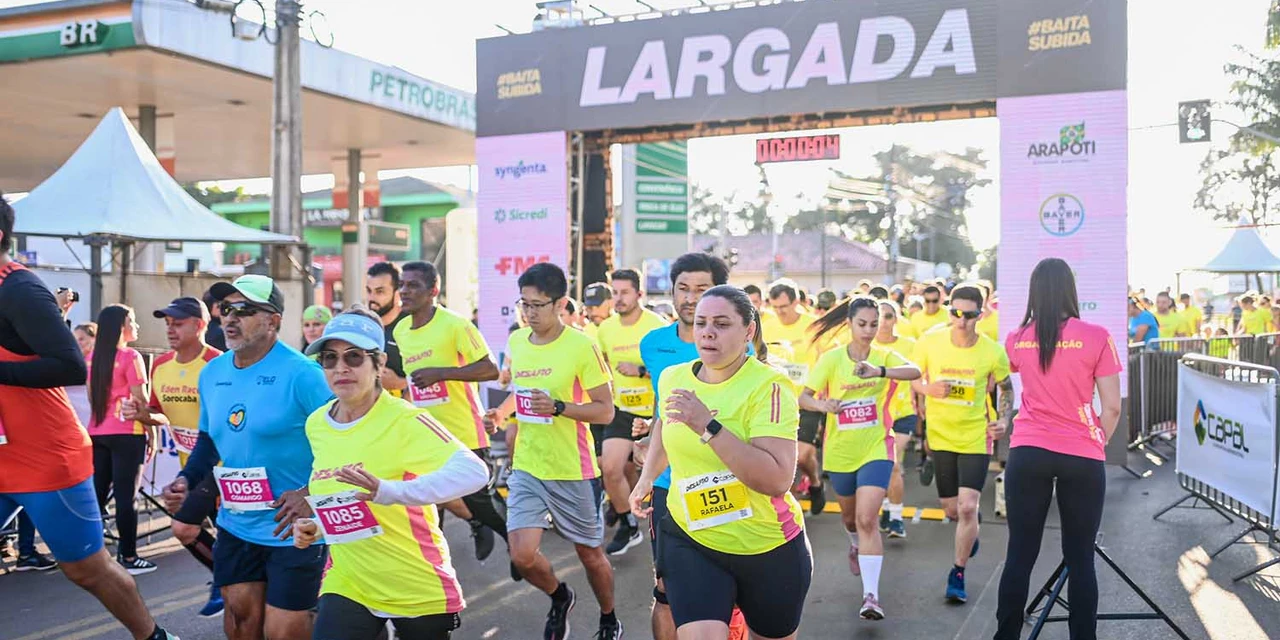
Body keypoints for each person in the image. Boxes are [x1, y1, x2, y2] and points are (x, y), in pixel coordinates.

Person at [0, 194, 179, 640]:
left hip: (45, 460)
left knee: (87, 570)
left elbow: (69, 366)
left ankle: (154, 636)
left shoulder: (19, 290)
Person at [294, 308, 490, 640]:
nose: (341, 368)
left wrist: (389, 492)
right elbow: (341, 497)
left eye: (354, 357)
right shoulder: (317, 424)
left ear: (379, 364)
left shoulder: (405, 420)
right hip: (349, 580)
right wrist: (317, 525)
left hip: (413, 581)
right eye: (330, 358)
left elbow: (474, 472)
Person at [629, 285, 812, 640]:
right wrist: (646, 478)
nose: (708, 332)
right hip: (692, 537)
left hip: (765, 545)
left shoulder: (770, 387)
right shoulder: (674, 377)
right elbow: (667, 426)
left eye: (722, 323)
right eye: (701, 323)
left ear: (749, 330)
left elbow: (776, 480)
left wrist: (708, 426)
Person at [162, 274, 332, 640]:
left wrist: (309, 491)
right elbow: (210, 441)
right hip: (237, 522)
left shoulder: (304, 375)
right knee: (241, 623)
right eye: (226, 309)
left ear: (273, 321)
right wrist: (186, 480)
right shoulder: (212, 373)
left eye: (245, 309)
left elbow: (343, 443)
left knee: (284, 632)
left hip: (294, 528)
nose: (230, 318)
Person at [485, 263, 621, 640]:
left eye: (537, 305)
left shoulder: (581, 345)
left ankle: (609, 618)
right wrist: (501, 413)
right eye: (523, 304)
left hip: (572, 467)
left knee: (590, 555)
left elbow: (605, 410)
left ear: (560, 303)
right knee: (522, 557)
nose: (529, 313)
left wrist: (560, 407)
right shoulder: (517, 342)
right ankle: (560, 596)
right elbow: (521, 392)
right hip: (528, 465)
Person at [994, 258, 1122, 640]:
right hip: (1081, 453)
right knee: (1081, 558)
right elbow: (1112, 406)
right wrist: (1097, 440)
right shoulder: (1097, 335)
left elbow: (1017, 375)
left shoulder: (1017, 339)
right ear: (1071, 289)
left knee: (1019, 554)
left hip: (1028, 450)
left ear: (1035, 292)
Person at [394, 261, 517, 580]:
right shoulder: (400, 330)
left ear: (433, 291)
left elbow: (490, 369)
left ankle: (517, 547)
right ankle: (435, 575)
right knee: (427, 503)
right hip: (425, 432)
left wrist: (442, 373)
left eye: (413, 286)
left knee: (480, 501)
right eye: (402, 285)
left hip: (464, 428)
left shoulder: (455, 325)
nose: (404, 291)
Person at [802, 296, 921, 620]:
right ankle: (854, 543)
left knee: (869, 519)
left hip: (876, 448)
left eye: (874, 324)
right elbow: (804, 395)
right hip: (841, 451)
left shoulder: (883, 356)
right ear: (850, 324)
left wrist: (879, 371)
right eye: (862, 324)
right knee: (851, 519)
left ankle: (871, 596)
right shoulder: (831, 360)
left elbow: (914, 371)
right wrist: (823, 406)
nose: (869, 331)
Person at [637, 252, 733, 640]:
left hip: (726, 479)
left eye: (702, 289)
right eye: (683, 289)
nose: (691, 298)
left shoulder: (738, 343)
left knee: (727, 586)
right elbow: (664, 411)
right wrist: (646, 475)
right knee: (666, 589)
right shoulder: (652, 344)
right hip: (670, 484)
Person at [911, 284, 1012, 604]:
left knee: (968, 506)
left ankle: (957, 572)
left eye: (969, 315)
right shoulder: (930, 341)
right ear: (948, 310)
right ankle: (970, 531)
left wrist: (1005, 419)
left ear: (980, 316)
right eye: (955, 313)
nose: (961, 320)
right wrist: (928, 390)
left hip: (975, 435)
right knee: (952, 509)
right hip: (940, 436)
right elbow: (914, 376)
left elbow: (1007, 388)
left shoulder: (992, 351)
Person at [125, 297, 224, 616]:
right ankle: (229, 580)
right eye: (167, 323)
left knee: (185, 527)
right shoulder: (162, 364)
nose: (170, 329)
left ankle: (230, 583)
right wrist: (143, 413)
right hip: (189, 468)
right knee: (197, 531)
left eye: (177, 323)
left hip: (223, 467)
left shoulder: (218, 363)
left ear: (199, 325)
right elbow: (159, 412)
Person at [594, 268, 669, 556]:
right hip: (622, 410)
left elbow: (674, 369)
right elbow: (601, 365)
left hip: (656, 413)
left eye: (625, 292)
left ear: (639, 294)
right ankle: (628, 524)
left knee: (654, 475)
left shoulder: (657, 326)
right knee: (610, 468)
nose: (618, 298)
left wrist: (639, 370)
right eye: (614, 292)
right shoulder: (605, 329)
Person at [86, 304, 157, 575]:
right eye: (133, 321)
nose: (136, 326)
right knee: (127, 497)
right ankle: (128, 556)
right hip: (128, 431)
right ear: (122, 327)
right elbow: (140, 400)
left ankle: (92, 556)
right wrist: (150, 430)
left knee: (97, 496)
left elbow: (93, 399)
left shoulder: (92, 357)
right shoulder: (130, 356)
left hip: (97, 431)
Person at [761, 279, 823, 513]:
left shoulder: (813, 325)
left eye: (784, 307)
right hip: (777, 399)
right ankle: (786, 507)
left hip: (807, 398)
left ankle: (815, 482)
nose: (780, 312)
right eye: (775, 307)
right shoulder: (767, 326)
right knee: (781, 455)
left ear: (796, 302)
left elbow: (827, 358)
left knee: (804, 453)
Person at [873, 300, 919, 539]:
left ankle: (897, 518)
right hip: (874, 417)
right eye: (879, 317)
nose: (883, 322)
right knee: (881, 467)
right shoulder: (866, 346)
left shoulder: (909, 345)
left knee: (894, 463)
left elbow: (920, 377)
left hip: (902, 414)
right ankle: (885, 510)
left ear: (896, 319)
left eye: (888, 316)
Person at [366, 262, 411, 396]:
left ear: (398, 294)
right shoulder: (363, 326)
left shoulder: (413, 327)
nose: (372, 298)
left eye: (380, 291)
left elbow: (435, 377)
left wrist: (400, 383)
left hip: (408, 412)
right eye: (369, 291)